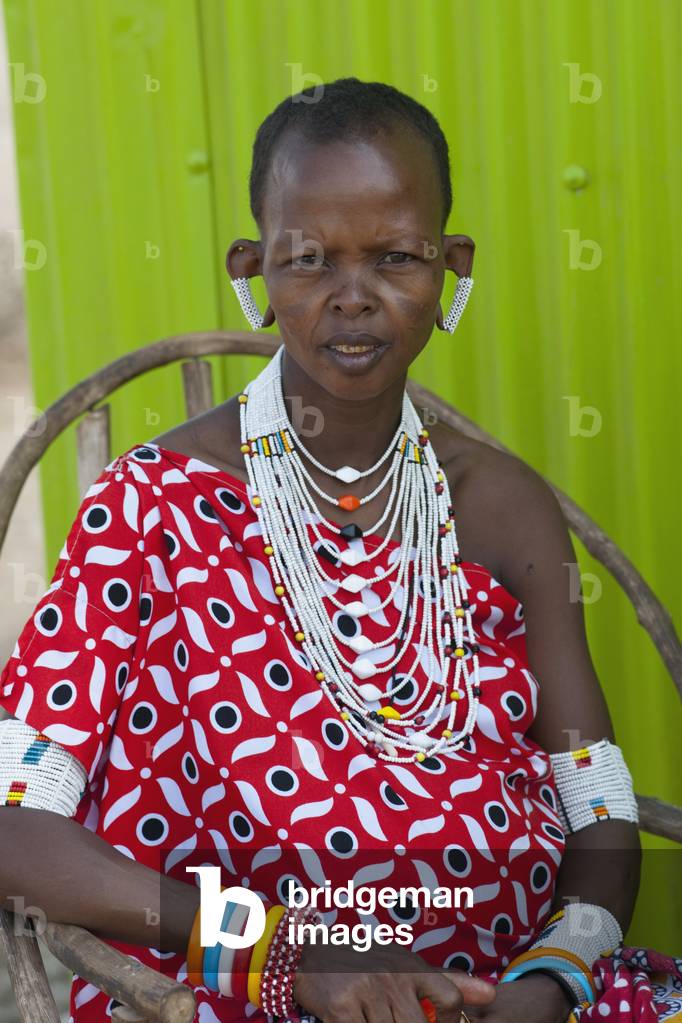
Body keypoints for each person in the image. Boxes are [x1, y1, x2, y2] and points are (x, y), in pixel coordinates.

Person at [0, 77, 678, 1023]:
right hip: (250, 990)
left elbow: (598, 804)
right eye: (310, 260)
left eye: (396, 258)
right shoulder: (145, 508)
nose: (353, 299)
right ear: (254, 271)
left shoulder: (503, 505)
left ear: (451, 267)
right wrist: (287, 951)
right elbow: (15, 828)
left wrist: (556, 973)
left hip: (509, 989)